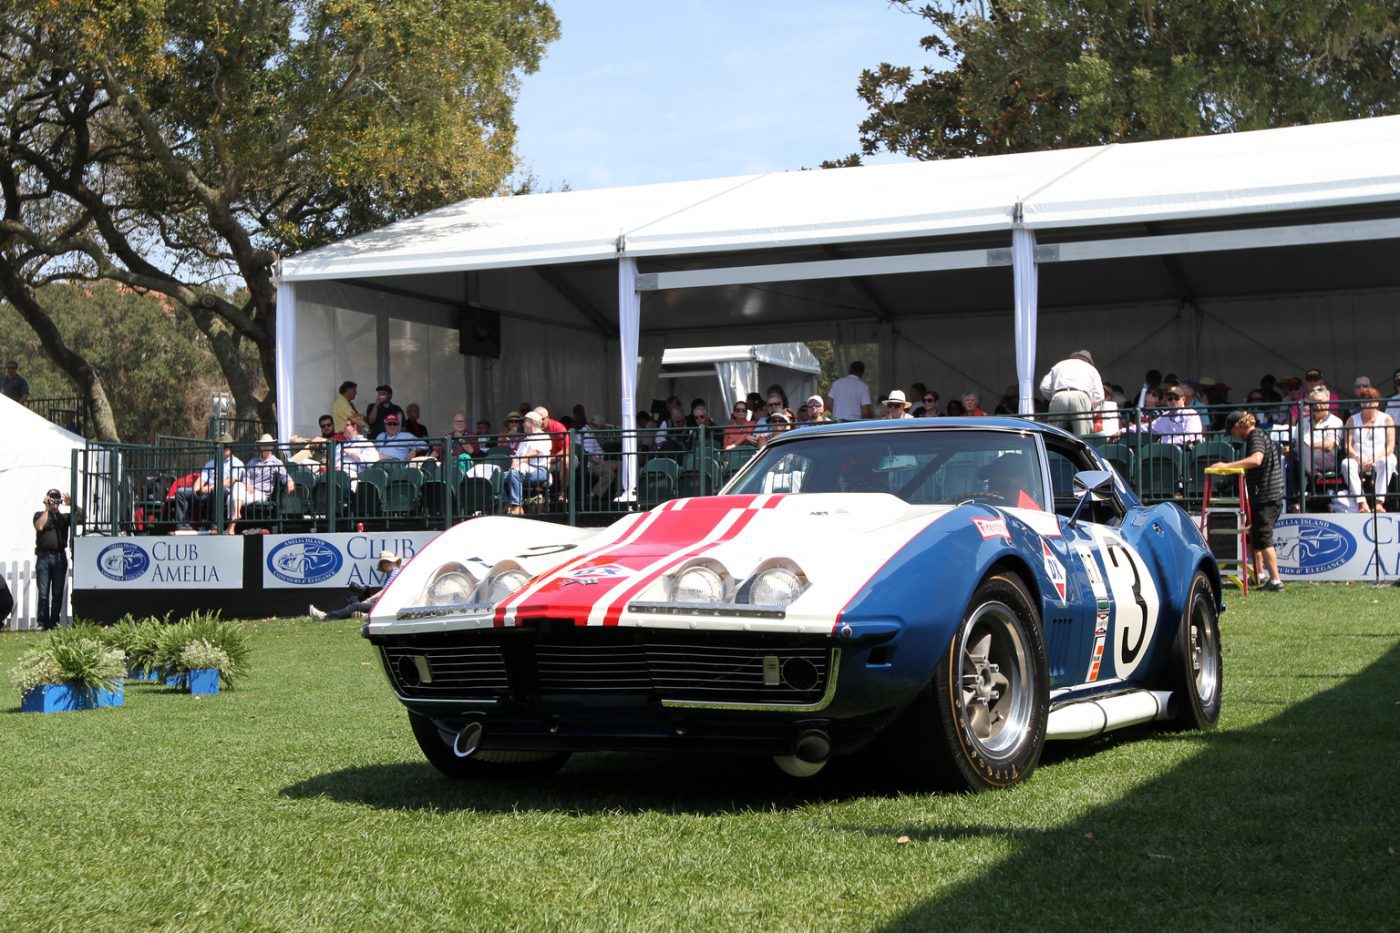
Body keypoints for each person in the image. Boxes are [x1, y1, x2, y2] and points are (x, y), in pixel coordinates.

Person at [1210, 412, 1286, 592]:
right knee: (1255, 536)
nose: (1235, 436)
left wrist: (1227, 466)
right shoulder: (1260, 435)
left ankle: (1276, 580)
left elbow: (1256, 460)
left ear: (1239, 426)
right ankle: (1259, 575)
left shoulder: (1256, 436)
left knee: (1264, 538)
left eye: (1233, 431)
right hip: (1267, 495)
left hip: (1267, 496)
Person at [1340, 386, 1396, 513]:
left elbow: (1390, 446)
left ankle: (1378, 503)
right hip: (1359, 458)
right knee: (1346, 464)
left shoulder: (1386, 419)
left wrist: (1376, 458)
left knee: (1389, 461)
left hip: (1381, 456)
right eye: (1364, 400)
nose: (1367, 403)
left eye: (1370, 400)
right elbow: (1347, 446)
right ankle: (1362, 502)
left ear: (1377, 402)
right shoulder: (1352, 420)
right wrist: (1357, 457)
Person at [176, 433, 243, 531]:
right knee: (181, 492)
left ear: (231, 448)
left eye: (226, 446)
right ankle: (183, 525)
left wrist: (211, 486)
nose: (224, 448)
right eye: (221, 445)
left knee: (216, 490)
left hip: (226, 492)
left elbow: (230, 482)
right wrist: (196, 489)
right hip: (208, 491)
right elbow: (202, 478)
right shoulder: (211, 463)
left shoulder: (237, 463)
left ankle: (215, 526)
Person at [309, 551, 404, 620]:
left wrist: (367, 600)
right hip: (387, 605)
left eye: (388, 561)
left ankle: (325, 617)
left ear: (395, 562)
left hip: (389, 606)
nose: (385, 564)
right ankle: (362, 615)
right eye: (383, 563)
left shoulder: (395, 572)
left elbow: (384, 592)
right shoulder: (391, 574)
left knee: (356, 606)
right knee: (354, 600)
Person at [33, 488, 79, 629]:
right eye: (52, 499)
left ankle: (54, 622)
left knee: (57, 592)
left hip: (59, 556)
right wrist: (47, 508)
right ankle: (42, 622)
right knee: (43, 592)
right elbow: (39, 526)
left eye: (56, 500)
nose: (55, 503)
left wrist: (73, 504)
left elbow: (82, 518)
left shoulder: (63, 518)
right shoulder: (40, 515)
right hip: (43, 556)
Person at [1039, 350, 1105, 436]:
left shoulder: (1059, 365)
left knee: (1054, 435)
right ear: (1088, 361)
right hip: (1081, 396)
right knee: (1083, 436)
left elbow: (1044, 387)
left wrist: (1054, 397)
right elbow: (1099, 395)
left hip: (1059, 396)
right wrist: (1093, 409)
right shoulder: (1091, 368)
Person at [242, 435, 296, 530]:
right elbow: (245, 476)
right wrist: (247, 485)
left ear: (272, 446)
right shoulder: (252, 461)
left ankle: (233, 523)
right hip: (247, 490)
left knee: (234, 498)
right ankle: (235, 519)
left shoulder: (276, 462)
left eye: (268, 444)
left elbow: (284, 475)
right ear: (260, 446)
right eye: (263, 444)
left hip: (261, 492)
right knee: (234, 491)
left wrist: (289, 481)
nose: (266, 446)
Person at [504, 410, 552, 514]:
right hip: (523, 470)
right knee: (499, 476)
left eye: (524, 421)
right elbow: (517, 456)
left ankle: (517, 506)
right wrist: (515, 461)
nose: (522, 424)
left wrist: (520, 460)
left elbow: (534, 451)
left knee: (514, 475)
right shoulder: (525, 439)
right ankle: (506, 503)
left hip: (540, 471)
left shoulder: (543, 436)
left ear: (532, 423)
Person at [1296, 385, 1343, 484]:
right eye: (1313, 402)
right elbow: (1295, 442)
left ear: (1328, 403)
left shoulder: (1335, 421)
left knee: (1300, 453)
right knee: (1289, 458)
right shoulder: (1302, 421)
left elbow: (1329, 445)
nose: (1317, 405)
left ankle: (1302, 491)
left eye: (1321, 402)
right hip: (1304, 456)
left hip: (1326, 457)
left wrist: (1306, 445)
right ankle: (1310, 474)